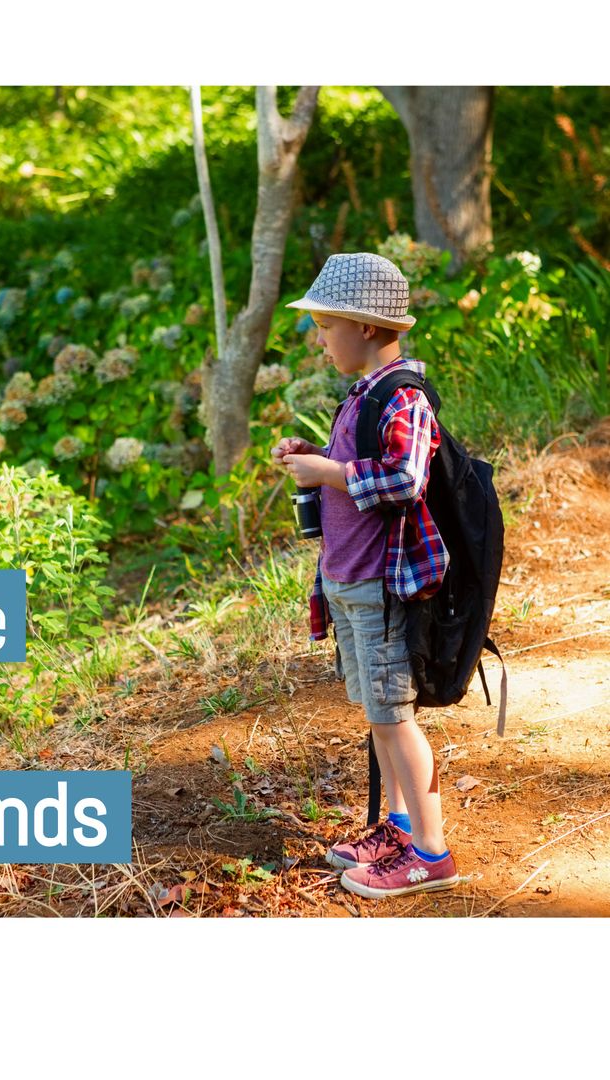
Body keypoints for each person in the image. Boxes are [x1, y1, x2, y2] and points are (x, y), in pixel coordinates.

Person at [272, 252, 459, 898]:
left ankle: (431, 854)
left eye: (326, 326)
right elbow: (357, 465)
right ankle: (401, 828)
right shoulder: (360, 395)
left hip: (382, 586)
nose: (318, 338)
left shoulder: (403, 395)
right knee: (380, 714)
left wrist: (329, 473)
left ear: (368, 328)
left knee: (397, 717)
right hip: (347, 583)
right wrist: (316, 457)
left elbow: (406, 478)